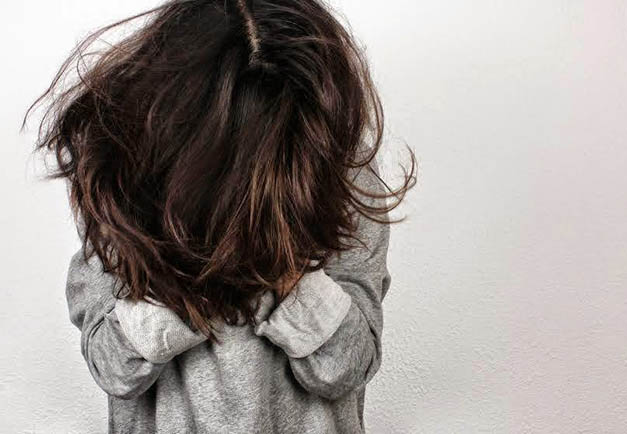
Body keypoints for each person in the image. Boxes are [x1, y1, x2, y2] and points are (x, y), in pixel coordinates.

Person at [25, 0, 416, 432]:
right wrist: (191, 269)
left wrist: (283, 263)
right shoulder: (125, 177)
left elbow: (349, 366)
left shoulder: (340, 169)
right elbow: (114, 367)